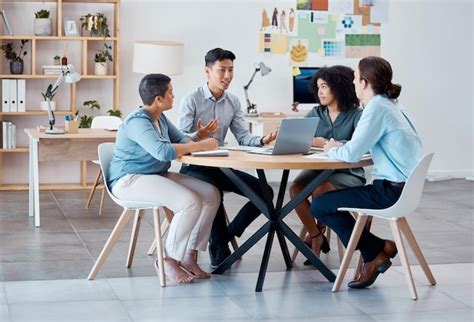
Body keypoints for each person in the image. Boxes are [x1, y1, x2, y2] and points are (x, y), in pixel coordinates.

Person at [311, 56, 423, 288]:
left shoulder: (376, 109)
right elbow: (361, 147)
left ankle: (376, 251)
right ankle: (378, 250)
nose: (352, 82)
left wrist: (331, 148)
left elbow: (351, 156)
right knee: (324, 201)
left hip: (389, 192)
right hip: (404, 188)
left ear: (363, 82)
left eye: (354, 78)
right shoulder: (392, 105)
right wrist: (344, 148)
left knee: (320, 205)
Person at [108, 74, 221, 284]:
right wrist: (200, 145)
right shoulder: (137, 122)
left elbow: (180, 140)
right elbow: (162, 151)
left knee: (210, 194)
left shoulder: (159, 117)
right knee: (189, 201)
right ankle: (167, 260)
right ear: (158, 99)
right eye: (170, 93)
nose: (174, 96)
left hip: (155, 175)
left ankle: (187, 255)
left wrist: (198, 135)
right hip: (129, 180)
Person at [179, 48, 277, 268]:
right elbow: (181, 139)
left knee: (265, 192)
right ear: (207, 71)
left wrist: (262, 140)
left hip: (221, 165)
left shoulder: (233, 101)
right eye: (221, 70)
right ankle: (219, 246)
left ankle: (228, 234)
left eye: (231, 70)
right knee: (214, 194)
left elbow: (242, 136)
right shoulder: (191, 100)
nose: (227, 76)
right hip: (195, 166)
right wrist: (199, 135)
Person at [289, 65, 365, 261]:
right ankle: (316, 235)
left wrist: (333, 144)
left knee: (320, 190)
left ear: (339, 87)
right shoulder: (316, 113)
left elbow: (361, 145)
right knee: (295, 189)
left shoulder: (357, 115)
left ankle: (317, 232)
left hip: (348, 172)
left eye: (324, 86)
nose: (320, 92)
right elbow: (297, 137)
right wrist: (312, 141)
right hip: (319, 169)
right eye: (318, 87)